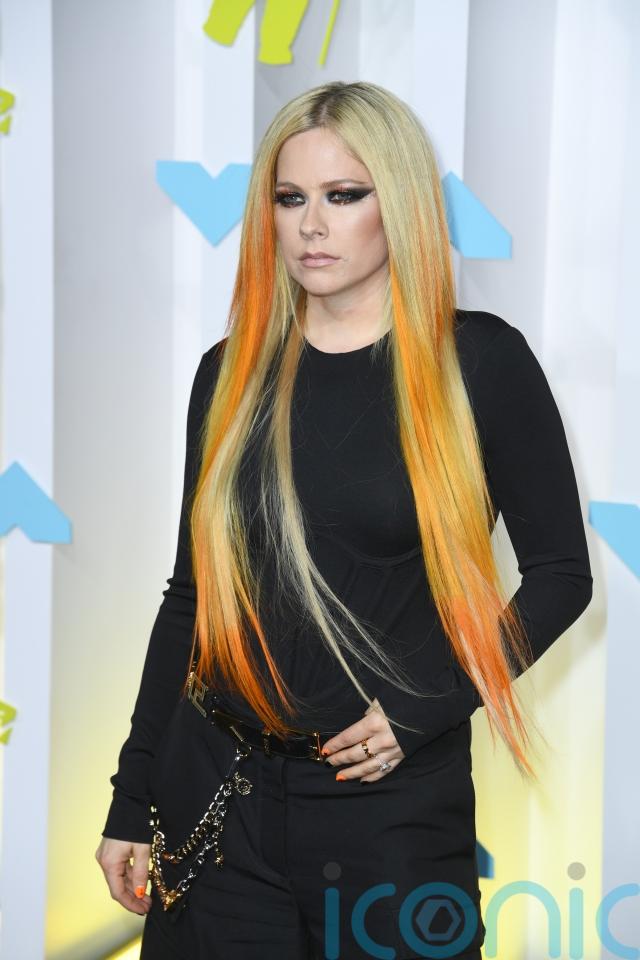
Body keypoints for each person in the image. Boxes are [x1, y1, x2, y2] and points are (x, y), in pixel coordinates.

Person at [95, 81, 593, 959]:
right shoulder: (229, 374)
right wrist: (132, 798)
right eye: (290, 199)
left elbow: (560, 574)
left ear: (397, 203)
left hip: (389, 811)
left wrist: (428, 704)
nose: (311, 226)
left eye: (344, 195)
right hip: (219, 796)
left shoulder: (478, 362)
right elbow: (192, 600)